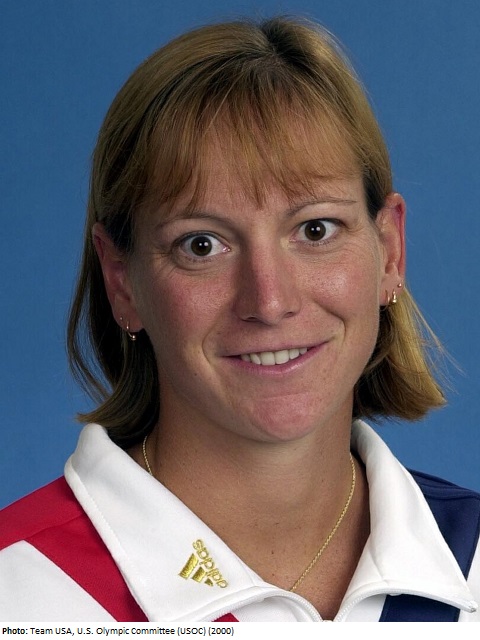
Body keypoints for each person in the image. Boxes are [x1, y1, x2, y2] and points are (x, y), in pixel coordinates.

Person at [0, 16, 479, 623]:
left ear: (389, 252)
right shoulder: (19, 591)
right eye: (202, 245)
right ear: (121, 281)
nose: (270, 300)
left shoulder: (472, 561)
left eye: (315, 230)